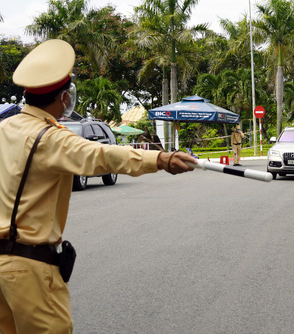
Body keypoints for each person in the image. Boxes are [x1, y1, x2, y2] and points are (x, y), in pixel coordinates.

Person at [0, 39, 197, 334]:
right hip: (30, 268)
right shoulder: (50, 138)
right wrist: (161, 158)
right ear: (63, 97)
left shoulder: (6, 128)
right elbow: (102, 155)